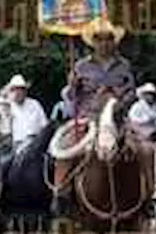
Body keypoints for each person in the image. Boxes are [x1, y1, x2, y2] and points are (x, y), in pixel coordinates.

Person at [52, 17, 138, 186]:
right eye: (100, 39)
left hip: (118, 119)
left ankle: (151, 195)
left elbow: (132, 93)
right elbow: (70, 96)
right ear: (93, 42)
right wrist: (72, 87)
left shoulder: (124, 66)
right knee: (65, 150)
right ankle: (61, 192)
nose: (104, 44)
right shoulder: (80, 67)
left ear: (114, 42)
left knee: (145, 150)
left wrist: (118, 102)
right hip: (88, 120)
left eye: (108, 39)